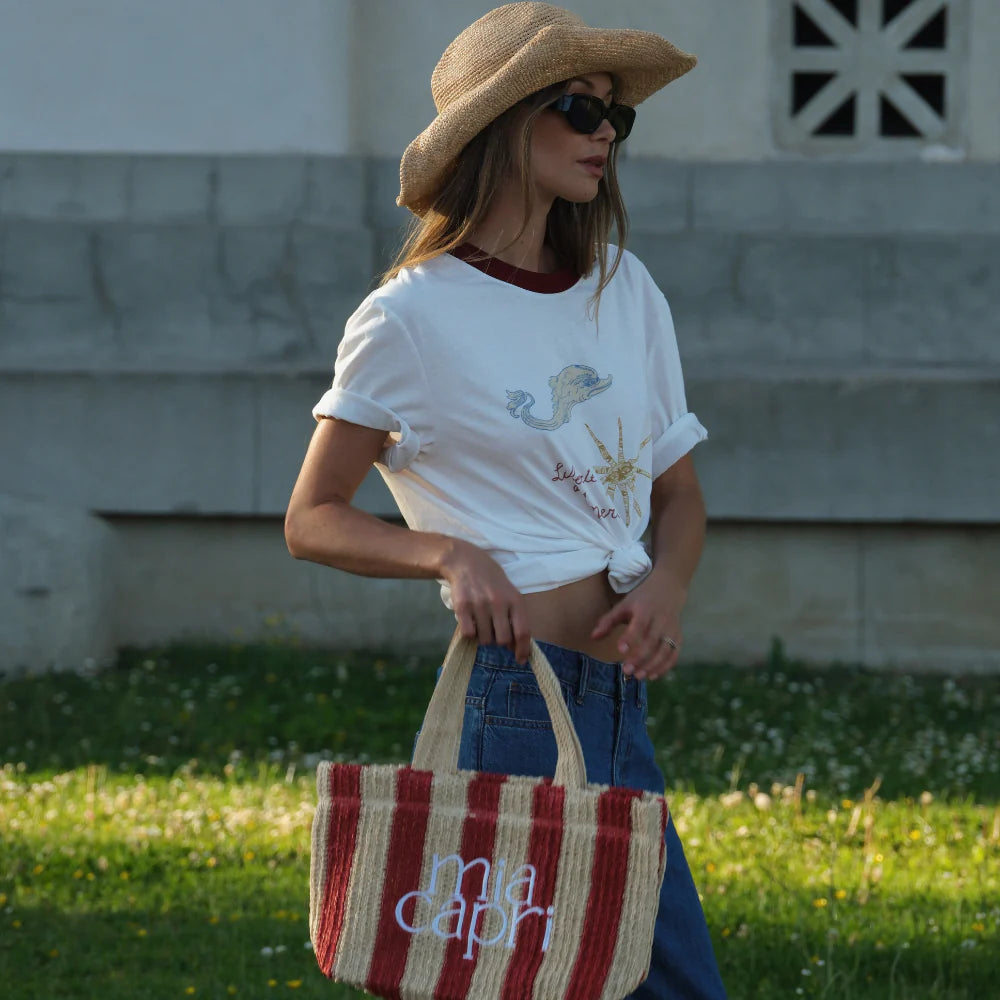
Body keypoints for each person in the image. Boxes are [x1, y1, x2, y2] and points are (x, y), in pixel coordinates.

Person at [285, 3, 727, 997]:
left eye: (616, 114)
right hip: (519, 703)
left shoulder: (625, 290)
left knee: (657, 976)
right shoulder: (410, 316)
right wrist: (449, 554)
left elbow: (680, 495)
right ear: (503, 127)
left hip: (618, 705)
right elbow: (312, 517)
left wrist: (666, 588)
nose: (605, 133)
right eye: (580, 109)